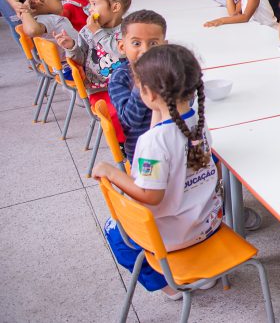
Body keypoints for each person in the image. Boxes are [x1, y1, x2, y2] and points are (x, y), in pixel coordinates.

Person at [91, 44, 222, 299]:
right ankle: (202, 273)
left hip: (175, 238)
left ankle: (170, 285)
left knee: (114, 232)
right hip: (209, 225)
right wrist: (157, 111)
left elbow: (151, 196)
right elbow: (163, 130)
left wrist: (112, 172)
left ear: (148, 94)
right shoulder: (200, 123)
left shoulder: (154, 143)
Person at [53, 0, 133, 141]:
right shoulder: (87, 31)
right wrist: (71, 47)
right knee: (117, 114)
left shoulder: (129, 30)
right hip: (100, 89)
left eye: (95, 4)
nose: (89, 9)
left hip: (129, 87)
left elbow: (120, 52)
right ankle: (124, 147)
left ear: (115, 7)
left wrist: (97, 32)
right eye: (89, 4)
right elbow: (81, 58)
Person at [107, 10, 167, 163]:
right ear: (122, 47)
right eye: (136, 43)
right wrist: (139, 85)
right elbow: (131, 120)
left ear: (165, 46)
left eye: (153, 43)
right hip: (143, 153)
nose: (145, 50)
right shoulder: (120, 77)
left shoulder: (169, 69)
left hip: (172, 143)